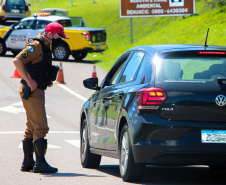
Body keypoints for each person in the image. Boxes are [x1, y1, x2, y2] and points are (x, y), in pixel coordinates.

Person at [13, 22, 69, 173]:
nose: (59, 39)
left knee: (31, 126)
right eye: (58, 35)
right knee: (41, 126)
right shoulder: (36, 46)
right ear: (50, 34)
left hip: (36, 89)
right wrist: (29, 80)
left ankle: (28, 162)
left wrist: (46, 79)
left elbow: (37, 66)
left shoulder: (45, 46)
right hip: (32, 91)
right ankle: (40, 163)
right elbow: (17, 61)